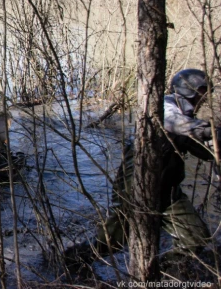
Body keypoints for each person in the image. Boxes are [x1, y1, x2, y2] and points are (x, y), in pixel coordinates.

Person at [66, 69, 216, 270]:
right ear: (190, 90)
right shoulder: (165, 105)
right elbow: (178, 125)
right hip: (135, 181)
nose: (204, 98)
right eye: (202, 91)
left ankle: (162, 273)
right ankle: (71, 260)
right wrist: (210, 131)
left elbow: (203, 149)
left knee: (195, 237)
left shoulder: (187, 114)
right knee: (114, 241)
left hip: (167, 188)